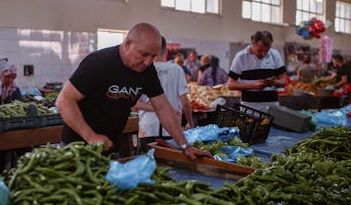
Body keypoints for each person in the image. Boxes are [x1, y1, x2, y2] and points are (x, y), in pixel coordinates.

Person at [55, 22, 211, 160]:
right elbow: (64, 100)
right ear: (127, 44)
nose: (148, 62)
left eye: (153, 56)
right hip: (76, 146)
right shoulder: (99, 62)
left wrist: (185, 146)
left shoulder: (147, 71)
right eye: (143, 54)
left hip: (109, 147)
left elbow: (162, 107)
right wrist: (90, 136)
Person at [134, 37, 194, 153]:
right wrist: (190, 122)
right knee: (170, 166)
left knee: (147, 165)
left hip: (147, 127)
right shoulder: (176, 70)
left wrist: (153, 108)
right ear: (166, 51)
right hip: (172, 128)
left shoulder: (143, 69)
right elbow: (185, 102)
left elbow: (135, 102)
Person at [227, 30, 286, 111]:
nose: (264, 54)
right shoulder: (241, 57)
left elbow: (283, 81)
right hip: (249, 109)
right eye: (260, 50)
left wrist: (272, 83)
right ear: (253, 43)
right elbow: (231, 84)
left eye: (267, 50)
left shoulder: (274, 54)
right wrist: (253, 86)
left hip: (272, 108)